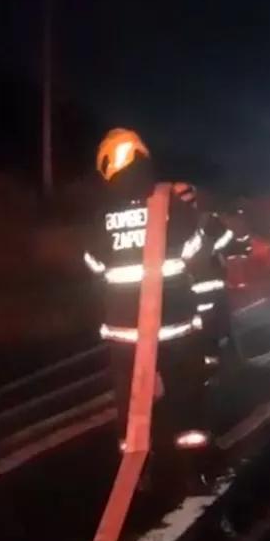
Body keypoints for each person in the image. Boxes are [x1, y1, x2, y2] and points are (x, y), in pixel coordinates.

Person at [82, 128, 211, 455]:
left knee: (128, 384)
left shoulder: (102, 214)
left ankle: (132, 439)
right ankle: (189, 433)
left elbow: (93, 263)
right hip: (173, 318)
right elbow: (196, 251)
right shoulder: (170, 202)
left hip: (124, 326)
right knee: (183, 377)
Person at [175, 183, 237, 368]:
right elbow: (228, 240)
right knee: (216, 323)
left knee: (196, 324)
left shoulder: (170, 225)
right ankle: (220, 362)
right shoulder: (207, 219)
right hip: (211, 283)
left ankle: (204, 361)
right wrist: (212, 248)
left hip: (187, 286)